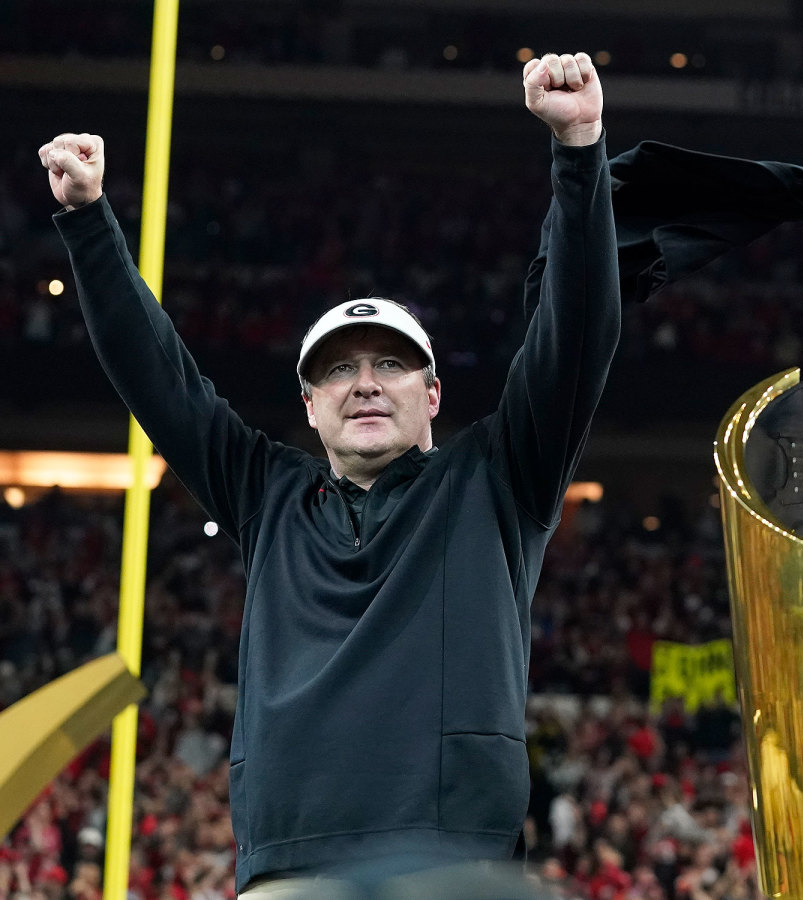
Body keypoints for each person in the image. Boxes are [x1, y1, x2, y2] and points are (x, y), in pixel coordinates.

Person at [40, 51, 619, 897]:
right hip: (291, 866)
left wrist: (579, 151)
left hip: (451, 862)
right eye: (340, 372)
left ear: (432, 392)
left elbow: (578, 334)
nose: (366, 383)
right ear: (309, 406)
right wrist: (90, 227)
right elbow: (158, 380)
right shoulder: (268, 493)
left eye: (390, 363)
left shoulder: (497, 479)